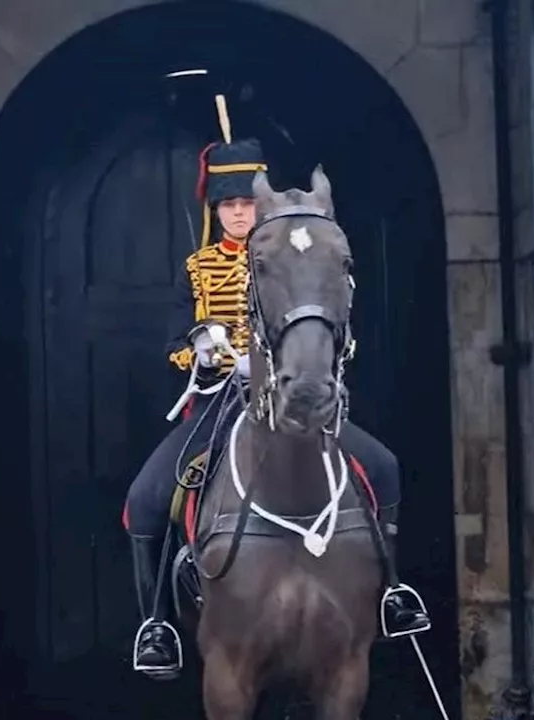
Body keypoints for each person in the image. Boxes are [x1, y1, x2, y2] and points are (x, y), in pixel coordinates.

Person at [122, 134, 430, 681]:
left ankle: (392, 594)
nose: (239, 214)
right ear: (216, 211)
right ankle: (158, 626)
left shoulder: (293, 252)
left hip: (291, 394)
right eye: (230, 206)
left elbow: (329, 315)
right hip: (220, 402)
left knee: (382, 467)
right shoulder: (198, 268)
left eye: (247, 204)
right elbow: (171, 341)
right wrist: (201, 350)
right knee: (145, 498)